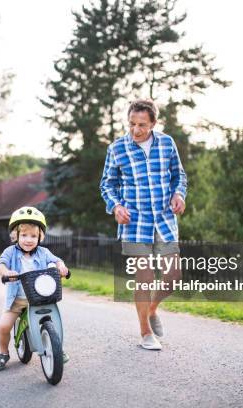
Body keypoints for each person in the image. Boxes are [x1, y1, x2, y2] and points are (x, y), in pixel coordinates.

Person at [99, 99, 187, 350]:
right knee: (145, 278)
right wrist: (116, 206)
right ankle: (146, 333)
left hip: (164, 219)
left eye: (142, 125)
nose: (136, 130)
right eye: (132, 124)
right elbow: (107, 184)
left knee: (173, 276)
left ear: (153, 124)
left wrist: (178, 194)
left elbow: (178, 175)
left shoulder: (167, 143)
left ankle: (152, 308)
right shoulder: (117, 149)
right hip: (135, 222)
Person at [0, 206, 70, 371]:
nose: (28, 239)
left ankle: (56, 348)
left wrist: (61, 267)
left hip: (41, 298)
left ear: (40, 236)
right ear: (15, 235)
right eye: (24, 235)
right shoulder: (10, 252)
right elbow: (0, 264)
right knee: (4, 326)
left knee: (54, 322)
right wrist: (6, 272)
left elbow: (57, 260)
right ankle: (3, 353)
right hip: (17, 299)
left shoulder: (43, 252)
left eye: (33, 236)